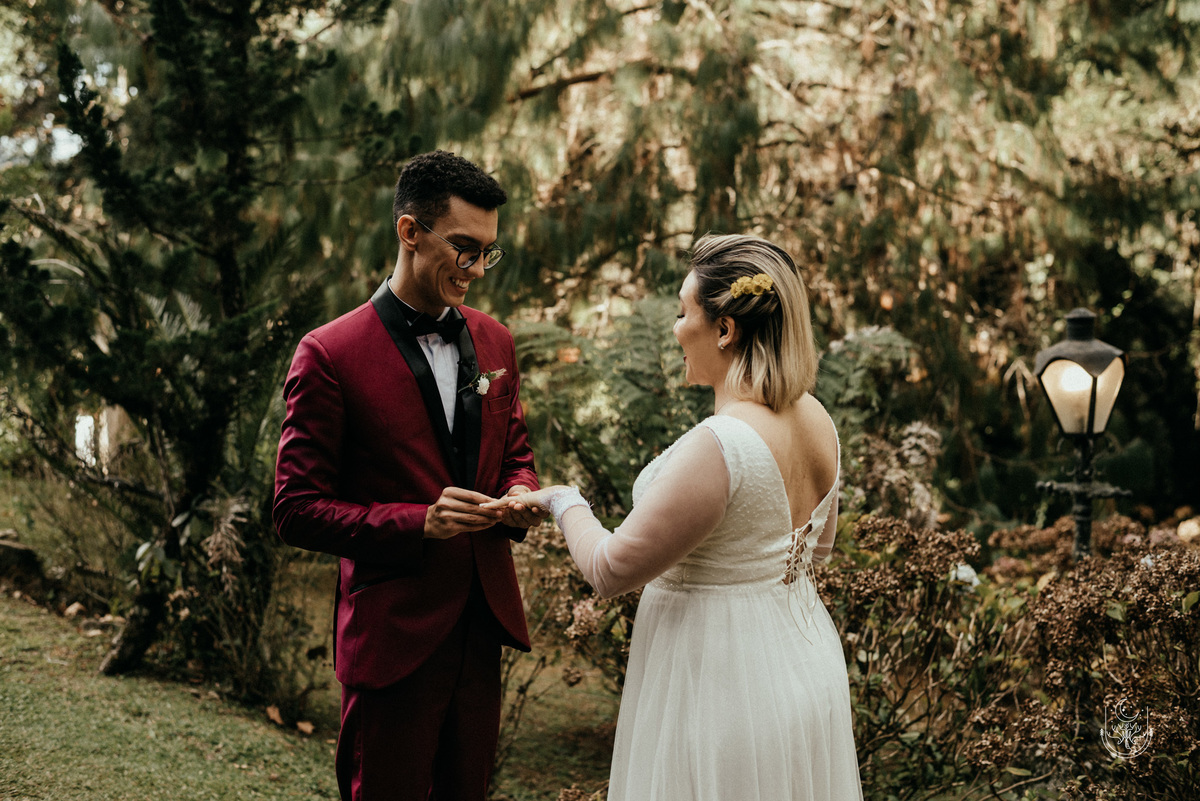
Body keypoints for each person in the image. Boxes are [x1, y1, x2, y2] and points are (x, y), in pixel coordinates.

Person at [492, 234, 865, 800]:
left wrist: (562, 499)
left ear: (724, 329)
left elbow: (611, 569)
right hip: (803, 663)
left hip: (720, 681)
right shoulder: (815, 418)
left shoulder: (722, 444)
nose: (674, 328)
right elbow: (817, 550)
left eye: (683, 312)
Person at [273, 150, 547, 801]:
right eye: (463, 249)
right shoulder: (329, 354)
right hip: (392, 639)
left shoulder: (498, 343)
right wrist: (417, 521)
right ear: (409, 231)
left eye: (488, 253)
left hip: (481, 626)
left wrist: (521, 492)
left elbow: (515, 451)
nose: (477, 270)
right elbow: (294, 508)